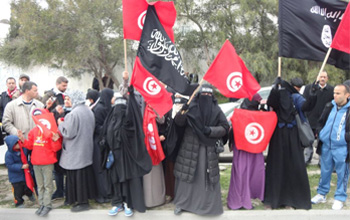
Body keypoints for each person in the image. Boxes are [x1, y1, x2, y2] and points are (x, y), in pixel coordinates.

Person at [173, 84, 229, 215]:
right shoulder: (191, 108)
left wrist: (210, 131)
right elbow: (178, 123)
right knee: (186, 177)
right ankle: (182, 204)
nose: (207, 97)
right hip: (189, 148)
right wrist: (183, 111)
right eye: (204, 94)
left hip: (207, 151)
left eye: (209, 95)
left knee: (206, 179)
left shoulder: (216, 110)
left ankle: (207, 206)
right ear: (198, 95)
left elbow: (225, 127)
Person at [264, 77, 317, 210]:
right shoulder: (276, 96)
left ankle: (292, 200)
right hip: (277, 136)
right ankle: (273, 199)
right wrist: (275, 89)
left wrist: (312, 95)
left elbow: (306, 106)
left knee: (293, 166)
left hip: (292, 135)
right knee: (276, 166)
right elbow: (271, 103)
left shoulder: (295, 97)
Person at [102, 87, 152, 216]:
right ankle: (117, 203)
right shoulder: (110, 120)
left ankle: (128, 204)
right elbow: (105, 135)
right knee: (116, 180)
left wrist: (131, 95)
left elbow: (133, 116)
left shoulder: (128, 122)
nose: (119, 109)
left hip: (126, 157)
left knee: (127, 181)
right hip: (114, 157)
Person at [311, 84, 350, 210]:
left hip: (342, 147)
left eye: (338, 93)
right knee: (325, 171)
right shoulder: (330, 106)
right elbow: (321, 121)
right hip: (327, 145)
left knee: (342, 173)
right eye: (334, 92)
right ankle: (322, 193)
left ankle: (339, 197)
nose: (335, 95)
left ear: (347, 95)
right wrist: (320, 132)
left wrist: (345, 138)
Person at [57, 91, 97, 212]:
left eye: (68, 99)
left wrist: (60, 124)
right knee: (83, 177)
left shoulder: (73, 114)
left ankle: (81, 202)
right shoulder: (88, 110)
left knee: (77, 179)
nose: (66, 101)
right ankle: (80, 200)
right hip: (85, 149)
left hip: (75, 151)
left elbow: (68, 133)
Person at [18, 109, 62, 216]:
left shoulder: (52, 130)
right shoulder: (33, 131)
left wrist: (55, 140)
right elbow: (30, 146)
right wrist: (23, 140)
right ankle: (42, 204)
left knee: (48, 185)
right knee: (40, 185)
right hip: (36, 162)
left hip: (47, 162)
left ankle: (47, 205)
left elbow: (57, 148)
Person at [227, 93, 265, 210]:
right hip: (251, 147)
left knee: (241, 172)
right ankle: (242, 199)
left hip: (242, 147)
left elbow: (231, 129)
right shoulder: (256, 115)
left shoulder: (239, 113)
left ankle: (239, 198)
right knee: (247, 172)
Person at [46, 76, 69, 201]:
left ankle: (66, 189)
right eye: (63, 86)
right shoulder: (51, 96)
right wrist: (55, 112)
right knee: (57, 166)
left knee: (65, 165)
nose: (65, 88)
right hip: (54, 135)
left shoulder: (66, 96)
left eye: (66, 86)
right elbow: (46, 114)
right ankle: (59, 189)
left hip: (64, 133)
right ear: (57, 84)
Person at [303, 71, 334, 164]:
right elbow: (304, 102)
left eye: (325, 77)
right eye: (321, 77)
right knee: (309, 141)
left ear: (327, 79)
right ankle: (307, 158)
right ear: (317, 78)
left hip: (324, 120)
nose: (322, 79)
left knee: (322, 141)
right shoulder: (309, 88)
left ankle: (322, 161)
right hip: (310, 118)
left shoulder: (331, 90)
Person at [91, 88, 114, 204]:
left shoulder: (106, 107)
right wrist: (108, 129)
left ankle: (107, 193)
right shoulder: (99, 109)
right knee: (100, 169)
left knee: (106, 168)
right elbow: (96, 127)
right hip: (98, 143)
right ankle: (101, 195)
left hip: (104, 142)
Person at [4, 135, 35, 208]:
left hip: (25, 174)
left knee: (28, 186)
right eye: (17, 143)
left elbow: (29, 150)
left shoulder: (23, 149)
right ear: (12, 145)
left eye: (20, 142)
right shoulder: (9, 154)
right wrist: (21, 166)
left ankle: (30, 194)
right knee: (18, 191)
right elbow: (9, 165)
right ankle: (19, 202)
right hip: (15, 177)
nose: (19, 144)